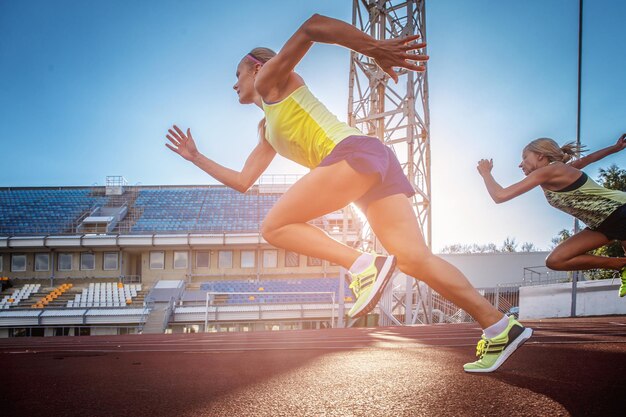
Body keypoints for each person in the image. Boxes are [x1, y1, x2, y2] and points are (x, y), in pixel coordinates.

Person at [166, 14, 531, 372]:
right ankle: (499, 325)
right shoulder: (267, 127)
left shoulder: (271, 82)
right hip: (372, 163)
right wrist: (196, 157)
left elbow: (312, 25)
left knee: (274, 227)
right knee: (415, 259)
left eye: (237, 74)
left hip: (354, 156)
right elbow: (245, 180)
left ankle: (363, 264)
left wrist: (374, 48)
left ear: (257, 67)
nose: (234, 85)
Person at [477, 134, 626, 297]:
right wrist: (615, 148)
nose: (521, 164)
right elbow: (589, 159)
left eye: (525, 157)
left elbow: (500, 195)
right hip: (603, 225)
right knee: (556, 260)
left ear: (540, 155)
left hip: (620, 211)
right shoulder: (558, 170)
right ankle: (621, 265)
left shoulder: (551, 170)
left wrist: (486, 173)